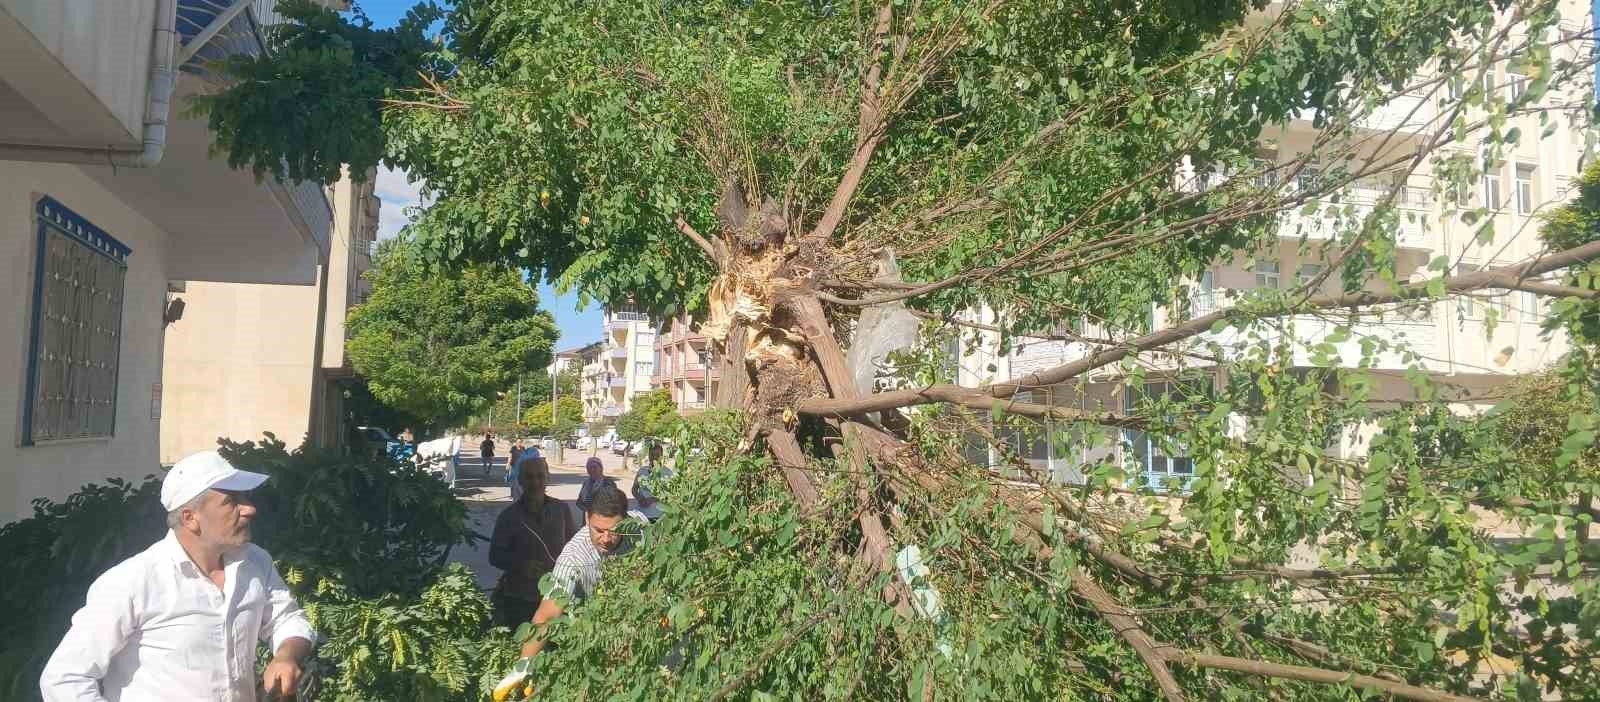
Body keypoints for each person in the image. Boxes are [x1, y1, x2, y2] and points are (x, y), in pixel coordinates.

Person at [40, 450, 316, 701]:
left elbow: (288, 619)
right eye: (232, 501)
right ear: (189, 518)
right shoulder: (133, 582)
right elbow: (65, 678)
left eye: (245, 498)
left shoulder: (256, 562)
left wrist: (286, 656)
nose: (250, 509)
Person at [519, 484, 645, 658]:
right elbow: (547, 616)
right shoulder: (573, 559)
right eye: (598, 530)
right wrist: (523, 667)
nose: (606, 539)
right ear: (587, 519)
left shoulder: (638, 528)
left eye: (614, 531)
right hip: (588, 634)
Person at [488, 456, 577, 628]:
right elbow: (494, 556)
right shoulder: (509, 516)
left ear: (547, 478)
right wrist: (521, 565)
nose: (535, 482)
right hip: (520, 600)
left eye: (540, 476)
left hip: (557, 597)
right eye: (529, 477)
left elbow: (573, 548)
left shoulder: (561, 510)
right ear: (520, 480)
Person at [633, 442, 674, 522]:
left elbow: (671, 496)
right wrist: (640, 498)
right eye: (652, 454)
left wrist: (654, 499)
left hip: (659, 516)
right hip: (642, 515)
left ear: (661, 456)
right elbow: (634, 489)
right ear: (648, 456)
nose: (654, 457)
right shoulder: (642, 471)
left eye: (657, 454)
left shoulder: (667, 473)